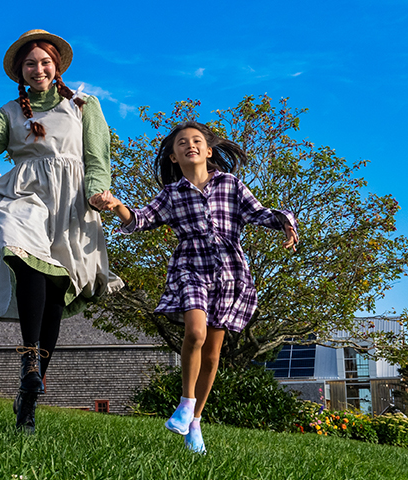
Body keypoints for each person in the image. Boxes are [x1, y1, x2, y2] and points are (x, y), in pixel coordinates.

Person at [0, 29, 124, 432]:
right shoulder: (9, 112)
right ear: (20, 71)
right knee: (24, 255)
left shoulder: (85, 105)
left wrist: (99, 192)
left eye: (44, 62)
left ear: (57, 66)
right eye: (30, 63)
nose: (38, 69)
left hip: (72, 201)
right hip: (26, 194)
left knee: (56, 289)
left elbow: (96, 156)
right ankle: (29, 358)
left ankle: (31, 391)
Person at [103, 120, 299, 453]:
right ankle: (185, 403)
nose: (189, 145)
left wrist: (285, 224)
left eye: (196, 141)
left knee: (212, 355)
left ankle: (194, 421)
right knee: (195, 333)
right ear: (173, 158)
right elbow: (139, 220)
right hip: (190, 265)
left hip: (228, 271)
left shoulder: (231, 184)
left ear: (208, 151)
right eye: (181, 143)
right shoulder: (172, 193)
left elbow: (260, 213)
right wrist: (115, 205)